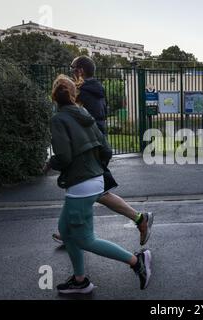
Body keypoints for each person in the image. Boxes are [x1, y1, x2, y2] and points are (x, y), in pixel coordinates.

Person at [45, 75, 152, 294]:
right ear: (74, 94)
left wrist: (49, 163)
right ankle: (80, 280)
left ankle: (137, 262)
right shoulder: (85, 114)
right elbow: (106, 150)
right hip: (95, 179)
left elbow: (63, 157)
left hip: (80, 185)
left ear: (54, 97)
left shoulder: (59, 119)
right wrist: (95, 168)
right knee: (66, 231)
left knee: (85, 239)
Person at [52, 56, 153, 247]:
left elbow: (80, 120)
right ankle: (70, 231)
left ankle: (140, 219)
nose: (72, 71)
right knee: (88, 189)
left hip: (88, 149)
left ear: (80, 70)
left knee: (90, 189)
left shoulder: (81, 92)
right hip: (95, 145)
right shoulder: (96, 89)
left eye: (73, 68)